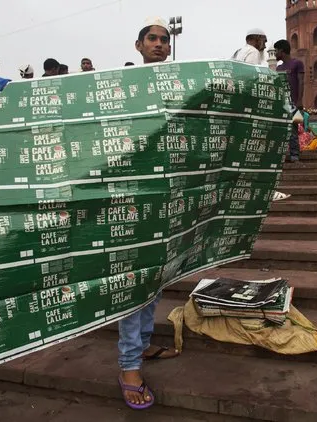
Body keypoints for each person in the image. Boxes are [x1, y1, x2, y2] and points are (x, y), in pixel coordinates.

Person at [117, 17, 180, 411]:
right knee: (133, 279)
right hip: (134, 195)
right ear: (138, 47)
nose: (159, 43)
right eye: (152, 39)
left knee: (156, 276)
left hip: (168, 194)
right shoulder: (125, 89)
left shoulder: (179, 88)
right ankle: (127, 366)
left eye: (164, 39)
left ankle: (139, 347)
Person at [274, 39, 305, 162]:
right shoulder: (278, 68)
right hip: (282, 102)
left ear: (281, 51)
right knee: (281, 128)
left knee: (293, 128)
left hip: (292, 103)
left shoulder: (297, 64)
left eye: (276, 51)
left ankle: (294, 155)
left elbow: (301, 82)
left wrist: (300, 100)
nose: (275, 53)